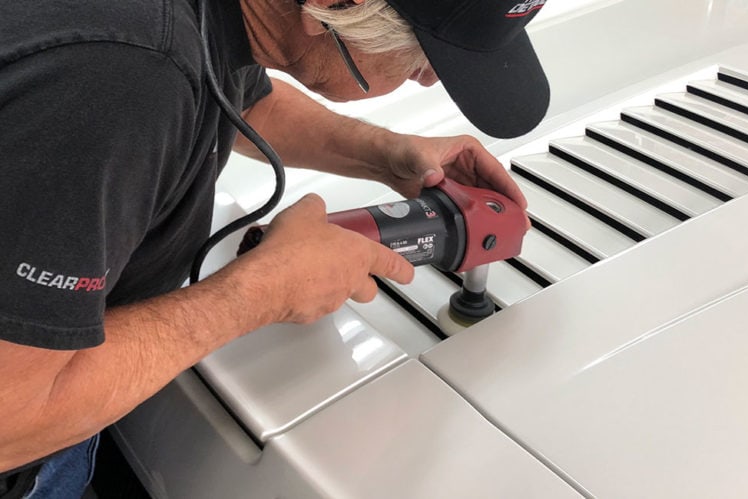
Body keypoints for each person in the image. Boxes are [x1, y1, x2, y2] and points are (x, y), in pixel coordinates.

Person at [0, 0, 549, 496]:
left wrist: (382, 153)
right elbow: (12, 421)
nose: (431, 79)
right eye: (426, 52)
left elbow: (231, 85)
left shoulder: (201, 24)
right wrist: (258, 294)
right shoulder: (123, 77)